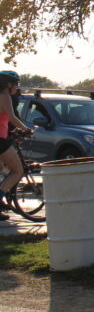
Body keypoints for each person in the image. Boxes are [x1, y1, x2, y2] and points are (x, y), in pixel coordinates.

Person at [0, 71, 33, 220]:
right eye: (16, 83)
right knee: (17, 170)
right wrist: (25, 129)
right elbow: (12, 118)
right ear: (9, 84)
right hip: (0, 140)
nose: (17, 87)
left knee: (1, 169)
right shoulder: (5, 96)